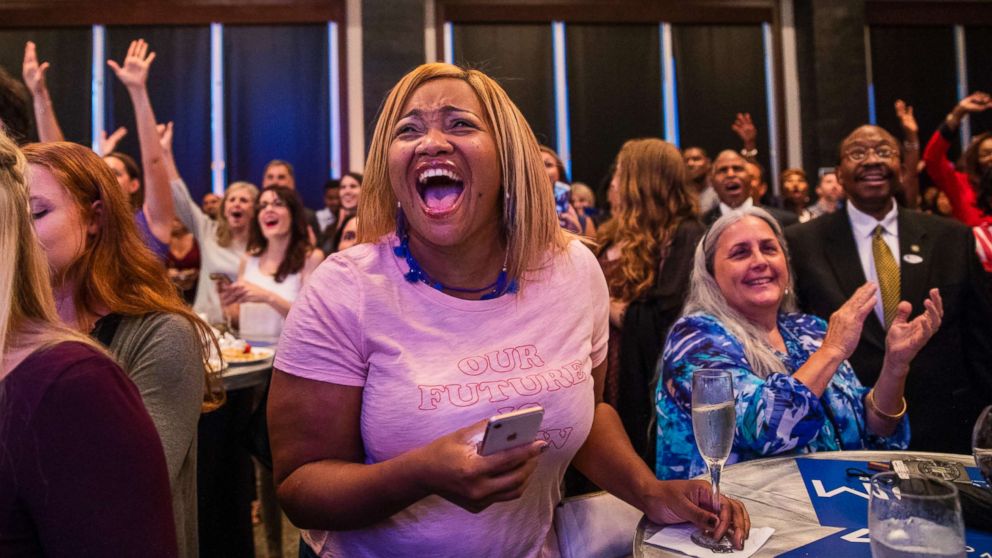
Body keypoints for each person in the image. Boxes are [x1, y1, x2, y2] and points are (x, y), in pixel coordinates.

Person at [268, 63, 750, 557]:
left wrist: (650, 492)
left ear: (508, 157)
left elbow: (586, 410)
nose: (431, 142)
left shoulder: (574, 270)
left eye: (460, 123)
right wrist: (420, 474)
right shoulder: (345, 289)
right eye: (408, 129)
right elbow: (300, 488)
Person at [25, 139, 220, 558]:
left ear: (95, 219)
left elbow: (129, 491)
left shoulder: (159, 333)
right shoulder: (15, 328)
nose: (17, 236)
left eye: (36, 214)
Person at [655, 207, 941, 480]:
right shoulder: (695, 337)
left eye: (769, 248)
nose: (760, 262)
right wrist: (832, 350)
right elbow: (766, 429)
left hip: (831, 508)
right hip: (732, 519)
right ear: (711, 277)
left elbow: (874, 432)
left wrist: (895, 366)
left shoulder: (809, 329)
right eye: (740, 253)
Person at [0, 130, 177, 556]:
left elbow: (135, 485)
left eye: (37, 213)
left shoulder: (80, 376)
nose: (26, 233)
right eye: (18, 218)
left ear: (95, 218)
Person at [786, 124, 992, 454]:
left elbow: (981, 339)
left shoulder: (952, 238)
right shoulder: (801, 242)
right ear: (839, 174)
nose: (872, 161)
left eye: (884, 152)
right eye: (858, 153)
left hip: (943, 430)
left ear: (903, 167)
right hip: (848, 435)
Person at [595, 138, 704, 467]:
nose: (613, 182)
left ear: (644, 180)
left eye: (621, 173)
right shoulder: (610, 232)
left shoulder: (685, 235)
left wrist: (605, 306)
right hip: (601, 359)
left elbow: (667, 318)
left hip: (639, 373)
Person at [24, 39, 176, 261]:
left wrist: (137, 90)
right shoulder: (85, 219)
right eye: (103, 169)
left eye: (116, 172)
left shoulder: (152, 222)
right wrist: (39, 95)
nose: (107, 176)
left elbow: (154, 163)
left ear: (134, 185)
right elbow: (57, 159)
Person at [220, 185, 323, 344]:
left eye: (277, 204)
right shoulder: (248, 259)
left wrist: (267, 297)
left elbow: (311, 320)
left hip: (289, 358)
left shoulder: (311, 258)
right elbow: (238, 321)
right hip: (250, 354)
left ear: (293, 214)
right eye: (263, 205)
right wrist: (227, 304)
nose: (268, 210)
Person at [923, 91, 992, 228]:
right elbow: (933, 159)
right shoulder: (962, 186)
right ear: (976, 161)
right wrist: (958, 114)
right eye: (986, 153)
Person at [702, 150, 797, 227]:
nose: (731, 174)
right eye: (723, 170)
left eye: (737, 168)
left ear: (749, 179)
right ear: (712, 182)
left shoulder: (785, 222)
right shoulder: (700, 224)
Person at [262, 159, 320, 243]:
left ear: (292, 182)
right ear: (263, 182)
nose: (275, 182)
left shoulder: (307, 217)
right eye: (270, 177)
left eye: (281, 177)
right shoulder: (253, 214)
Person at [167, 218, 201, 305]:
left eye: (178, 219)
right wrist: (165, 273)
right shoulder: (162, 240)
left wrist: (196, 272)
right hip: (170, 294)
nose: (175, 223)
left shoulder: (198, 238)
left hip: (198, 291)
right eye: (173, 219)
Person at [682, 146, 718, 214]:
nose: (690, 164)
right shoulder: (679, 197)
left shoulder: (719, 194)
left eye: (696, 159)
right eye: (686, 161)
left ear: (708, 163)